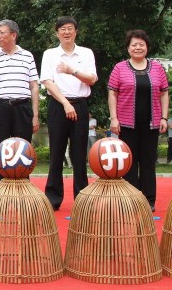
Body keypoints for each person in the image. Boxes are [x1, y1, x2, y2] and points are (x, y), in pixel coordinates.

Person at [40, 16, 97, 211]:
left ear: (76, 31)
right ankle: (53, 199)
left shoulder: (86, 53)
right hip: (58, 105)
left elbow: (92, 79)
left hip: (80, 105)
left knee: (79, 153)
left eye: (70, 28)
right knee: (56, 152)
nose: (66, 32)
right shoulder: (49, 54)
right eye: (62, 29)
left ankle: (81, 198)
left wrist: (72, 70)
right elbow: (47, 81)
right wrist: (65, 104)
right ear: (57, 33)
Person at [108, 29, 168, 212]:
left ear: (147, 47)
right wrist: (114, 118)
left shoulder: (157, 68)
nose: (138, 47)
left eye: (141, 44)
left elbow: (164, 93)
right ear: (128, 48)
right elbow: (112, 92)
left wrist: (164, 117)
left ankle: (148, 200)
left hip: (151, 123)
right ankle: (130, 200)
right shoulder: (119, 68)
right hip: (127, 124)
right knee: (130, 163)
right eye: (134, 44)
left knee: (148, 162)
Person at [0, 20, 39, 186]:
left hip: (22, 108)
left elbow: (34, 87)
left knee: (24, 151)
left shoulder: (27, 56)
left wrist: (35, 115)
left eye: (2, 32)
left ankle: (23, 190)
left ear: (13, 35)